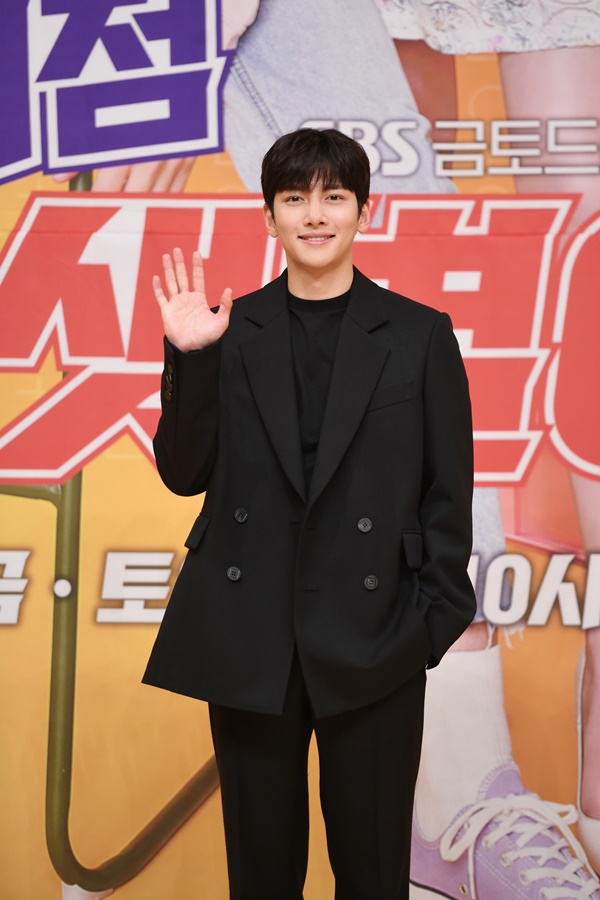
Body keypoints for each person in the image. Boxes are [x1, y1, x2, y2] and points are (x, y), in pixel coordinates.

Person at [142, 127, 476, 898]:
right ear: (270, 216)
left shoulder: (418, 335)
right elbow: (183, 474)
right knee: (260, 875)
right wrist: (192, 357)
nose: (315, 214)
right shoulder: (228, 330)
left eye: (333, 196)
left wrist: (429, 625)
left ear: (364, 210)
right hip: (251, 636)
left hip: (376, 638)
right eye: (295, 198)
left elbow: (447, 491)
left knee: (373, 873)